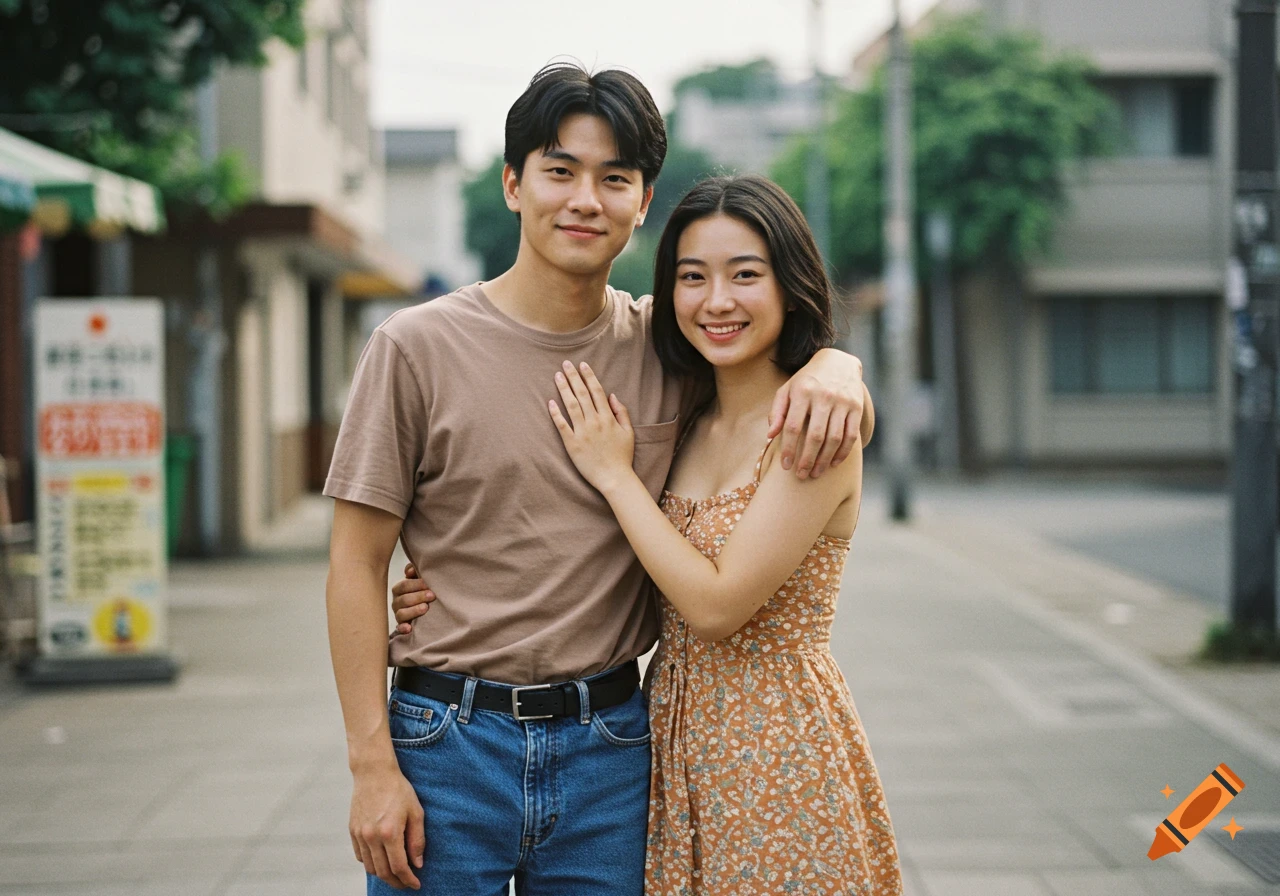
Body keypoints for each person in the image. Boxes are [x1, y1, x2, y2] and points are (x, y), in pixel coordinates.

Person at [325, 63, 873, 896]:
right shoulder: (415, 347)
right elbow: (356, 563)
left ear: (642, 202)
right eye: (560, 171)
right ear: (513, 185)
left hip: (612, 753)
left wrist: (839, 369)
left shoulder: (672, 348)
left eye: (614, 179)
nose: (586, 200)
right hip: (447, 744)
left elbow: (768, 354)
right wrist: (371, 765)